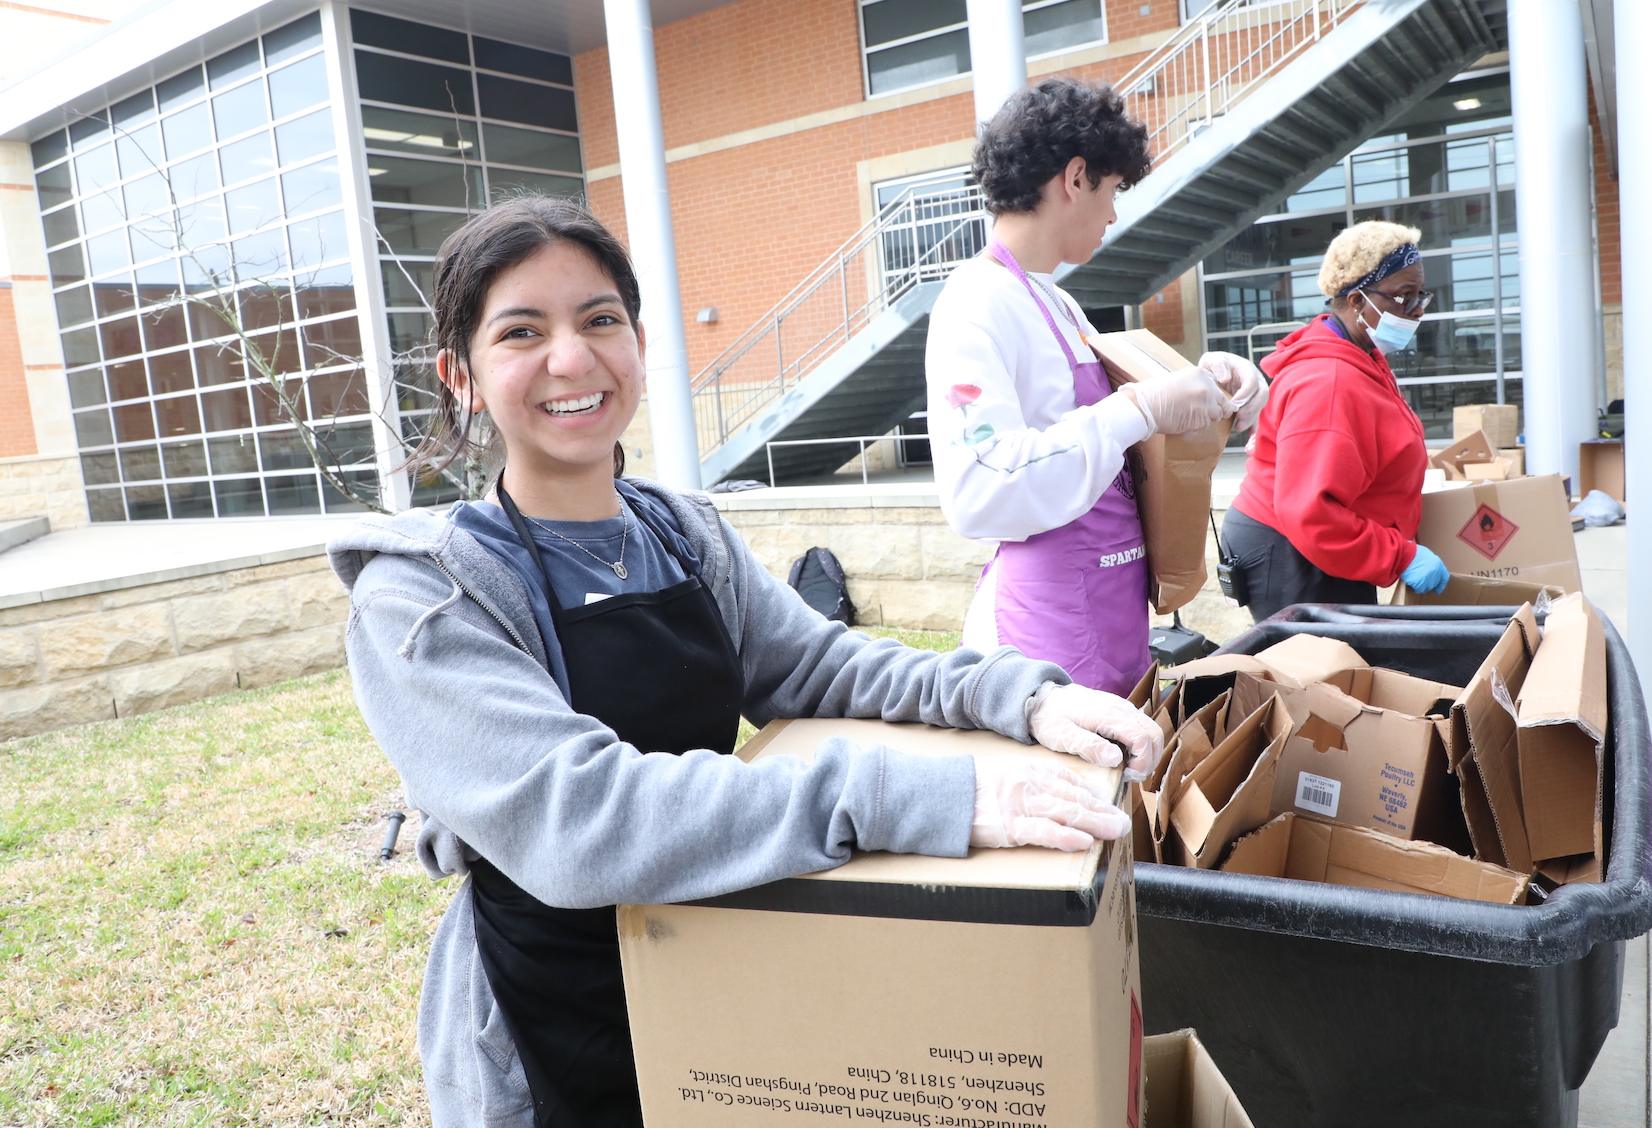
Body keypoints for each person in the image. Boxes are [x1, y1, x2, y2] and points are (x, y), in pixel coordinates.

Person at [327, 196, 1164, 1128]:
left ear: (637, 342)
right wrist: (932, 799)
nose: (572, 358)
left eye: (600, 319)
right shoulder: (427, 595)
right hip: (551, 1019)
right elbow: (580, 818)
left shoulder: (681, 533)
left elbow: (826, 667)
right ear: (463, 375)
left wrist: (1016, 697)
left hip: (721, 972)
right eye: (522, 331)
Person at [925, 78, 1268, 699]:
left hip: (1114, 605)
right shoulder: (973, 303)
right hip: (1042, 633)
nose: (1113, 213)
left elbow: (1137, 406)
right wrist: (1139, 408)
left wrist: (1219, 380)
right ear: (1075, 178)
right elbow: (979, 491)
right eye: (1112, 191)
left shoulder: (1058, 303)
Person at [1221, 220, 1451, 620]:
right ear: (1358, 300)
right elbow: (1311, 511)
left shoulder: (1359, 356)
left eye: (1420, 296)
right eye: (1403, 296)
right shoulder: (1329, 381)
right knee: (1317, 673)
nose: (1416, 311)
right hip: (1296, 550)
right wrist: (1400, 556)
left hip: (1319, 544)